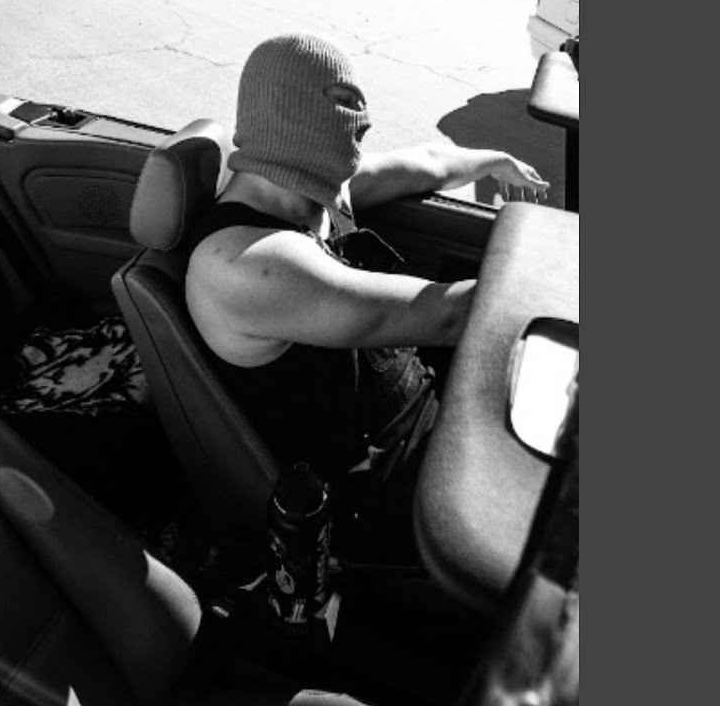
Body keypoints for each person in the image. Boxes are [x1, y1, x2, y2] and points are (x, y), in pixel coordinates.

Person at [184, 34, 549, 544]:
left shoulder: (310, 190)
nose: (364, 122)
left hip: (417, 410)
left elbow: (427, 163)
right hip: (381, 479)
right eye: (345, 102)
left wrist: (494, 160)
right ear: (288, 111)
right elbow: (445, 316)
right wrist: (555, 278)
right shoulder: (246, 264)